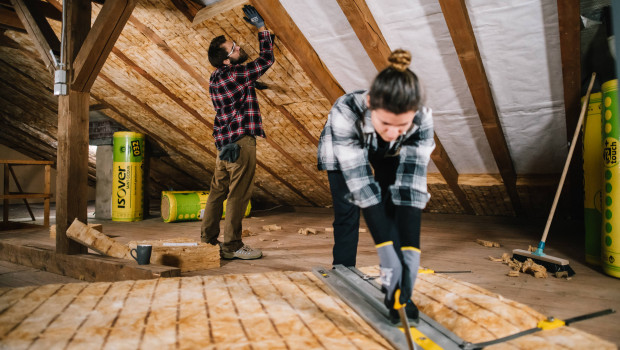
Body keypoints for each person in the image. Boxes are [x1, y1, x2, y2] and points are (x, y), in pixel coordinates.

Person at [317, 49, 435, 323]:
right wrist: (385, 253)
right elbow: (363, 189)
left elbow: (410, 189)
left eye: (402, 125)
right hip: (343, 146)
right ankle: (343, 269)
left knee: (393, 207)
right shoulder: (346, 111)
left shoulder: (422, 119)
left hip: (386, 152)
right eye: (386, 123)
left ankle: (396, 290)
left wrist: (409, 256)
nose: (394, 132)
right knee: (348, 209)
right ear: (370, 103)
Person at [201, 5, 274, 260]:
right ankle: (232, 246)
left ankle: (207, 242)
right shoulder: (237, 74)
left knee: (217, 192)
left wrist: (251, 83)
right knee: (238, 194)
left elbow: (240, 82)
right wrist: (262, 29)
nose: (238, 48)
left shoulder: (215, 77)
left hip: (223, 145)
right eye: (233, 49)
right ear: (226, 60)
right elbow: (266, 60)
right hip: (241, 143)